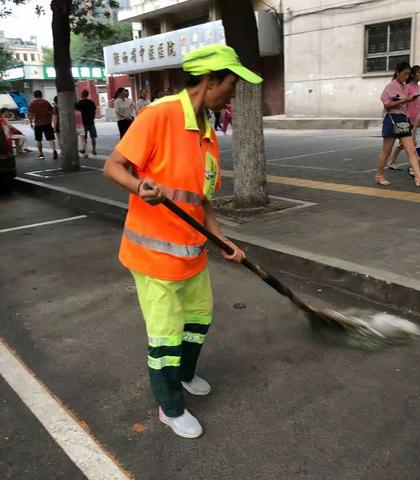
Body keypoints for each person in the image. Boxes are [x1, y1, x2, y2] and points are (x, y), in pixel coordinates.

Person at [104, 43, 262, 439]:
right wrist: (140, 187)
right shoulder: (159, 115)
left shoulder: (207, 134)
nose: (233, 93)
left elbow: (202, 200)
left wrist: (222, 239)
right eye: (231, 84)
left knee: (199, 320)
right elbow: (114, 166)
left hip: (191, 254)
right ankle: (170, 406)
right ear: (209, 82)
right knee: (166, 337)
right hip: (154, 255)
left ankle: (185, 374)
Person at [375, 62, 420, 188]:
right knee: (386, 151)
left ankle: (418, 176)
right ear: (397, 72)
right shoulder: (391, 86)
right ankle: (379, 175)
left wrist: (408, 101)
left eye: (408, 74)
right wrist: (403, 100)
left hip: (403, 119)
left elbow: (403, 104)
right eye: (404, 73)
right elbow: (387, 104)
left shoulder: (405, 87)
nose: (406, 76)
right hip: (392, 119)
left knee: (411, 150)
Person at [386, 65, 420, 171]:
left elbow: (419, 103)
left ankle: (392, 162)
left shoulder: (419, 87)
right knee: (410, 144)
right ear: (413, 74)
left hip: (416, 117)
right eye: (418, 72)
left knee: (406, 144)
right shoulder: (407, 87)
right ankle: (414, 168)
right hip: (407, 117)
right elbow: (401, 102)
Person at [28, 90, 58, 159]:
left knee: (38, 140)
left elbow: (31, 114)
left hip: (38, 124)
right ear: (41, 95)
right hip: (47, 123)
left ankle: (41, 154)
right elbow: (52, 111)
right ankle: (54, 151)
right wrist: (48, 114)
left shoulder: (32, 103)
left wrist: (30, 123)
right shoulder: (46, 102)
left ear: (34, 95)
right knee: (50, 139)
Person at [76, 89, 97, 157]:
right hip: (91, 122)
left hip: (84, 122)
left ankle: (85, 150)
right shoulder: (91, 102)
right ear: (87, 95)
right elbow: (94, 111)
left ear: (82, 95)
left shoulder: (80, 103)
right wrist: (92, 117)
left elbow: (78, 111)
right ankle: (94, 150)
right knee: (93, 137)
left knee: (84, 138)